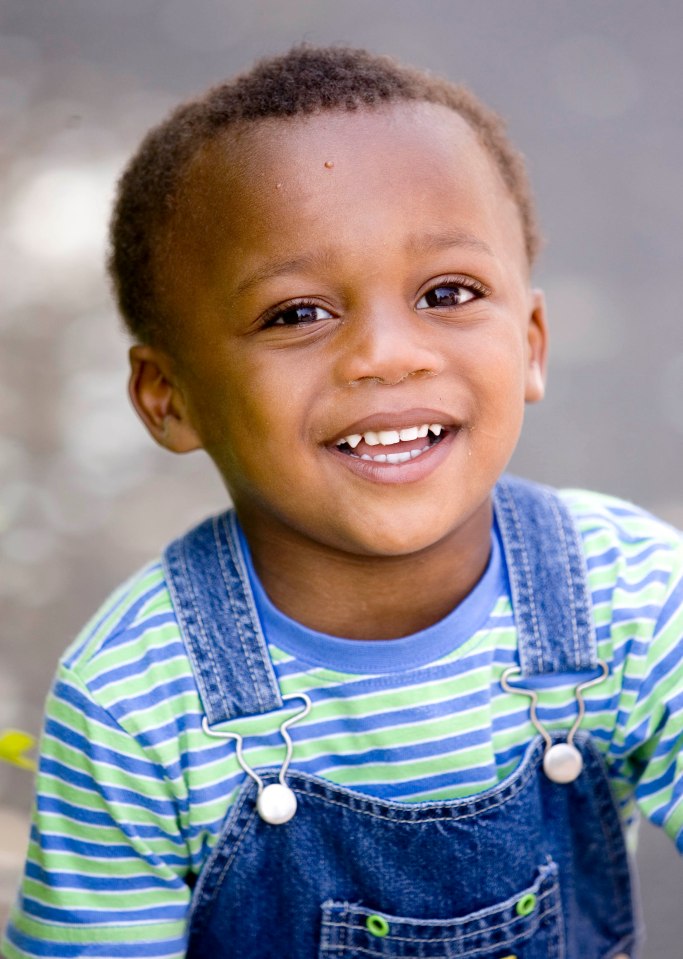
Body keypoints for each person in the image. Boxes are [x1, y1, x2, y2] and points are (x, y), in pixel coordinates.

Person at [3, 45, 682, 959]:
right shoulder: (134, 700)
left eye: (447, 292)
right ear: (171, 397)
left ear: (528, 343)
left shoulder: (632, 597)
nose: (386, 355)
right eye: (296, 313)